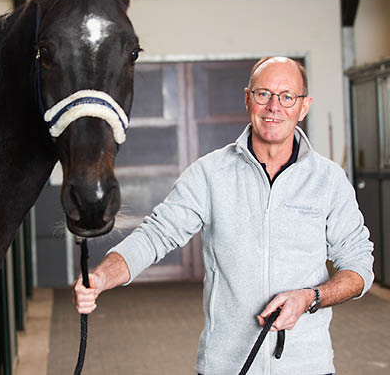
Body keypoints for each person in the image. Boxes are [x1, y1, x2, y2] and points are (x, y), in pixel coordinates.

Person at [72, 57, 374, 374]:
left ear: (304, 106)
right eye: (263, 94)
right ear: (247, 99)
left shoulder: (328, 180)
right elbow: (156, 235)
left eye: (287, 96)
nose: (274, 107)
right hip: (225, 367)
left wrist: (311, 297)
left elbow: (359, 266)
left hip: (308, 366)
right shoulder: (210, 174)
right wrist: (103, 276)